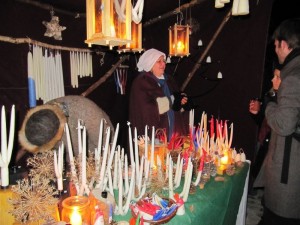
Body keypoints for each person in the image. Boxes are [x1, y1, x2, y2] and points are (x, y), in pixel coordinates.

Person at [258, 18, 300, 225]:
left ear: (284, 44)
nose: (276, 51)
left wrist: (271, 99)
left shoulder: (292, 77)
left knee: (276, 219)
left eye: (276, 46)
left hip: (289, 167)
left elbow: (284, 124)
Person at [129, 48, 192, 141]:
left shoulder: (169, 80)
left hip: (173, 131)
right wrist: (173, 99)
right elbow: (147, 110)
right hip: (155, 133)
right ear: (150, 64)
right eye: (159, 61)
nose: (163, 64)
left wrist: (182, 102)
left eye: (164, 61)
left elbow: (177, 103)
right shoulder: (142, 82)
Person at [248, 67, 281, 182]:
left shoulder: (287, 100)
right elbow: (264, 121)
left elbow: (279, 123)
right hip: (263, 142)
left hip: (277, 148)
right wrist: (256, 113)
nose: (273, 79)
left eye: (278, 77)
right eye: (274, 76)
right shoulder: (271, 95)